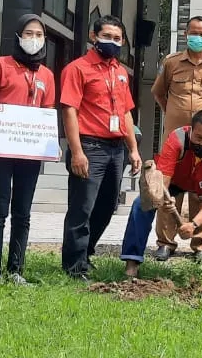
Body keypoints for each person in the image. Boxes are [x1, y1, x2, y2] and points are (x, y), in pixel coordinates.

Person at [0, 14, 56, 286]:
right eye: (29, 33)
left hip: (29, 153)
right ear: (19, 36)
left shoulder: (47, 75)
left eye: (39, 35)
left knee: (22, 213)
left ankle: (16, 270)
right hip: (0, 150)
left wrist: (50, 143)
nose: (34, 39)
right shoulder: (0, 65)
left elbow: (47, 113)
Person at [61, 14, 143, 279]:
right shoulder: (77, 68)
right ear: (93, 36)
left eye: (117, 38)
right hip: (89, 146)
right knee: (82, 207)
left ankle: (86, 253)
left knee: (107, 206)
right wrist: (77, 152)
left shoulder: (120, 72)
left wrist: (133, 149)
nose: (112, 42)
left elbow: (126, 112)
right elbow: (69, 110)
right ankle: (74, 265)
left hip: (116, 149)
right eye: (106, 36)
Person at [120, 110, 202, 278]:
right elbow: (163, 182)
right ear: (191, 130)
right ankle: (132, 261)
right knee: (141, 205)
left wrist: (193, 224)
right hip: (177, 181)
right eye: (198, 137)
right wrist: (163, 200)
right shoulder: (176, 138)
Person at [149, 15, 202, 262]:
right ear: (186, 34)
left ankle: (201, 244)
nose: (198, 37)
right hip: (176, 140)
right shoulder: (171, 62)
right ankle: (165, 243)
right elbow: (159, 93)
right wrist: (173, 114)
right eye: (193, 33)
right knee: (169, 191)